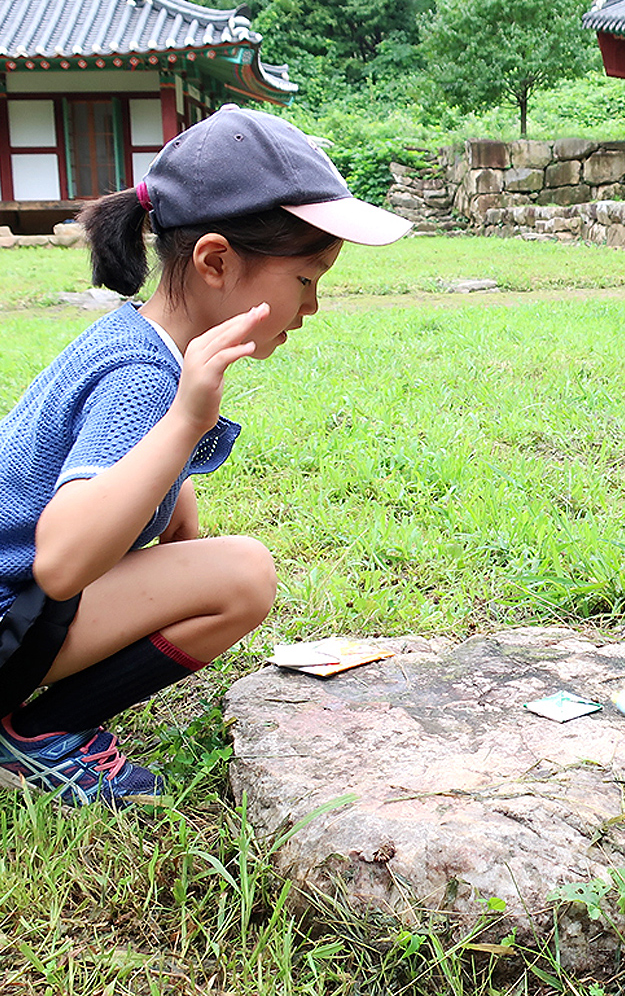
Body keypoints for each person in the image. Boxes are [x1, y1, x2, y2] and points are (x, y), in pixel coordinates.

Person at [0, 105, 411, 807]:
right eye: (306, 280)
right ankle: (38, 734)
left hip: (17, 611)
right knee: (244, 574)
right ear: (216, 261)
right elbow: (63, 560)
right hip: (12, 616)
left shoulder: (138, 340)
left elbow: (145, 492)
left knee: (214, 564)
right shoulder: (145, 378)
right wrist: (189, 418)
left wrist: (177, 492)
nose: (311, 308)